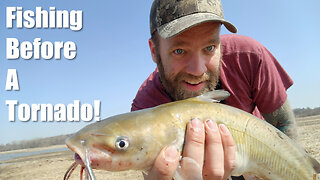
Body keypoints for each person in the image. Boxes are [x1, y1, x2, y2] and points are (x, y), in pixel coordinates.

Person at [131, 0, 297, 179]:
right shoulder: (145, 110)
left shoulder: (249, 57)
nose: (198, 70)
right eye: (179, 51)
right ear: (155, 51)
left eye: (209, 48)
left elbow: (283, 124)